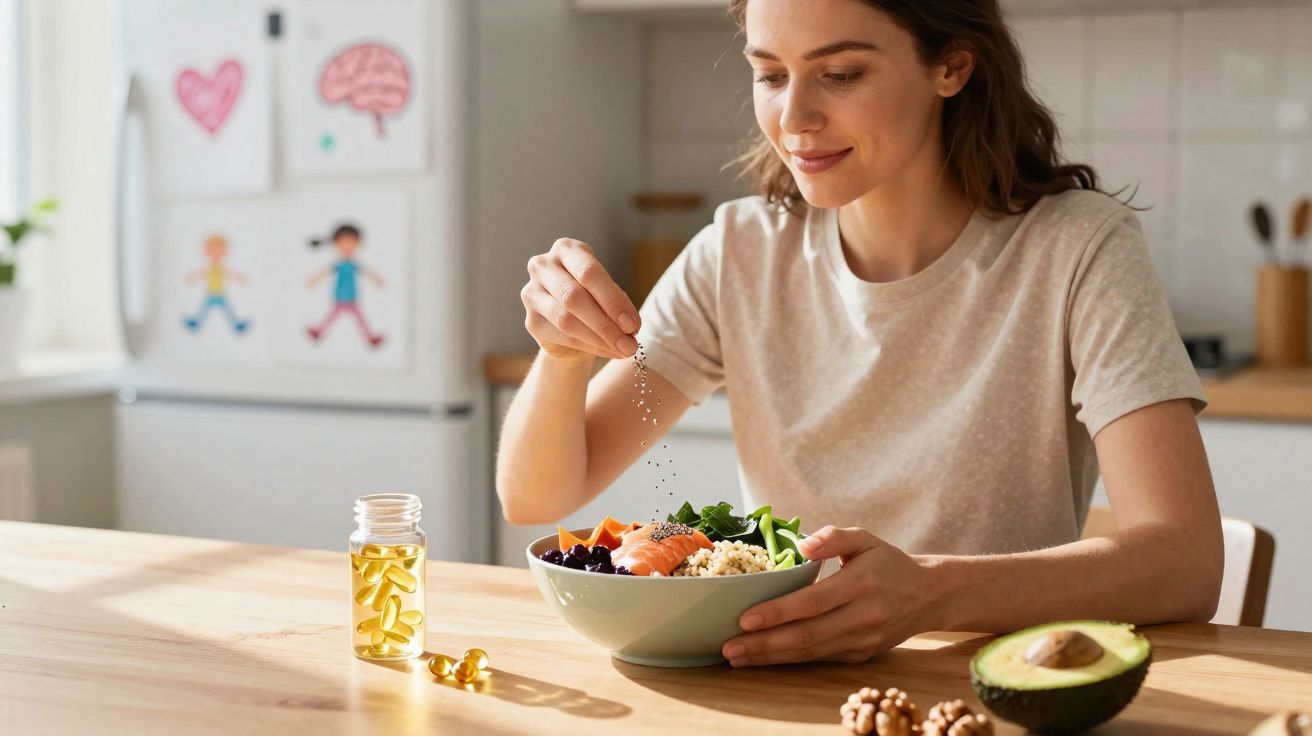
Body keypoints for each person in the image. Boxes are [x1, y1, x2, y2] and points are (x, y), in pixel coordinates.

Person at [497, 0, 1223, 668]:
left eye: (840, 74)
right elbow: (536, 497)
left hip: (995, 687)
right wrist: (560, 357)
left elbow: (1184, 561)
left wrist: (933, 592)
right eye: (770, 75)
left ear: (952, 67)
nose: (795, 117)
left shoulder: (1078, 249)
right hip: (783, 687)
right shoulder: (739, 254)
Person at [306, 223, 386, 348]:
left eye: (352, 241)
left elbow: (367, 272)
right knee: (335, 316)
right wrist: (314, 280)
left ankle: (369, 337)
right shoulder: (338, 264)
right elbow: (324, 272)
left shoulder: (354, 264)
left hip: (351, 295)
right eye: (344, 241)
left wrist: (377, 280)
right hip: (340, 295)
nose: (348, 245)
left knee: (356, 318)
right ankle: (319, 332)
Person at [183, 234, 250, 334]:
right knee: (206, 309)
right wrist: (192, 278)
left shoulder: (221, 268)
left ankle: (236, 325)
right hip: (211, 293)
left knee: (226, 310)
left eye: (219, 250)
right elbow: (201, 273)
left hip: (220, 293)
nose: (216, 253)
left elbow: (230, 274)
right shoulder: (209, 268)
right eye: (212, 250)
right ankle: (196, 323)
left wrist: (239, 278)